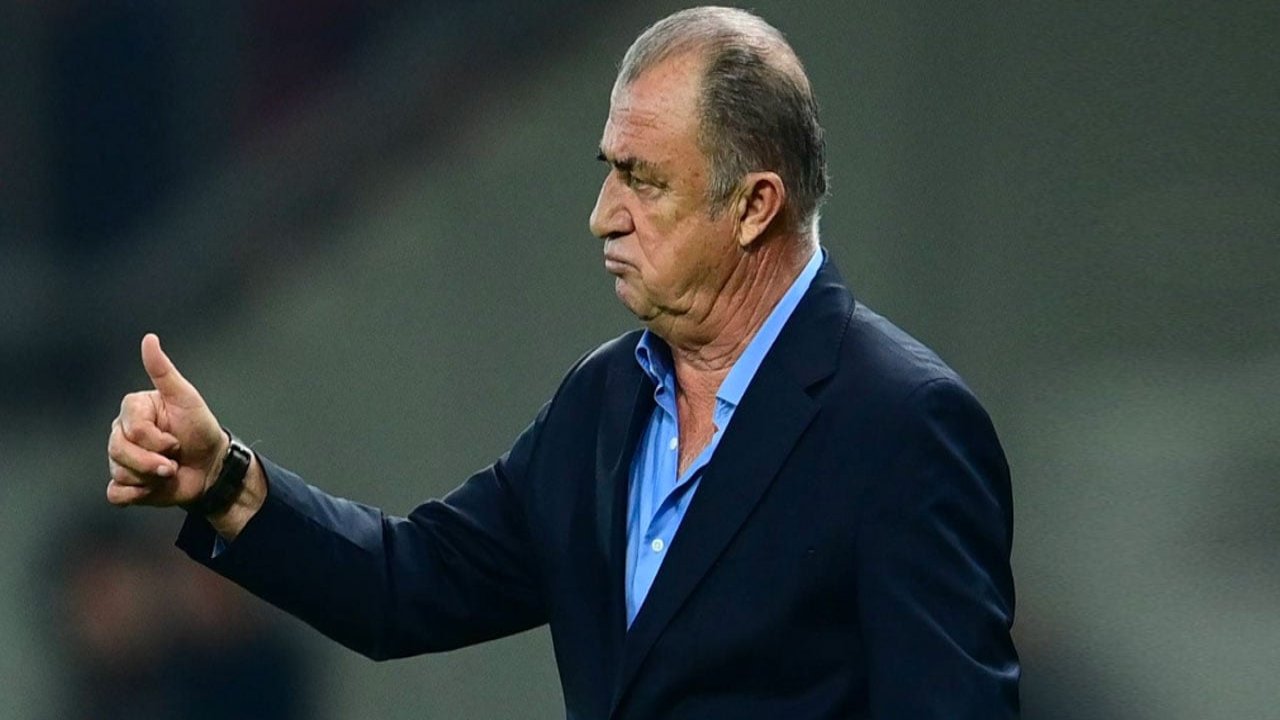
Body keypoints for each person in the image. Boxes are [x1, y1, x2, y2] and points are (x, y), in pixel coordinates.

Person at [106, 7, 1020, 718]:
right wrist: (222, 480)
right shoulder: (605, 400)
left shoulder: (901, 424)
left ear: (754, 206)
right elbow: (407, 585)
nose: (603, 214)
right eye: (609, 168)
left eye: (643, 179)